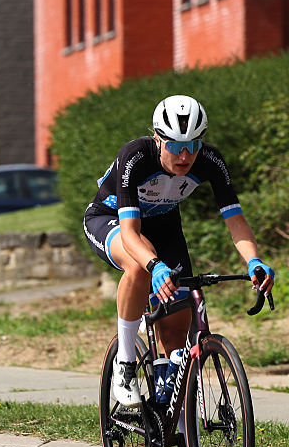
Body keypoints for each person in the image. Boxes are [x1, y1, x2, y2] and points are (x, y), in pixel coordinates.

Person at [83, 95, 275, 411]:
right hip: (111, 219)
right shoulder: (136, 157)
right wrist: (154, 264)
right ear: (158, 139)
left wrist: (254, 260)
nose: (184, 155)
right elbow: (131, 234)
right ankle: (126, 365)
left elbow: (236, 221)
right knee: (139, 268)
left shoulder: (210, 161)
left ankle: (173, 420)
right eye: (174, 146)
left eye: (193, 145)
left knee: (176, 336)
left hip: (165, 226)